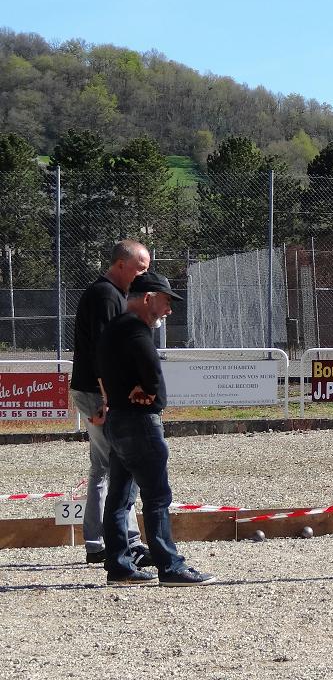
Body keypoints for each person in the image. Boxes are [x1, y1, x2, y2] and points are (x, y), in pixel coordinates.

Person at [97, 271, 215, 586]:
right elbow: (151, 370)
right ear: (148, 298)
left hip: (118, 419)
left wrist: (124, 392)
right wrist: (148, 388)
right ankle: (171, 567)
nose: (169, 310)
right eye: (165, 302)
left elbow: (103, 370)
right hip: (140, 423)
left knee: (119, 498)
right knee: (157, 496)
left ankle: (119, 566)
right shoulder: (137, 329)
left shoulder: (113, 328)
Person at [69, 239, 152, 567]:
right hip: (96, 392)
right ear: (121, 264)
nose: (144, 274)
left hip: (93, 390)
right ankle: (119, 541)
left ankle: (99, 541)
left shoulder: (109, 293)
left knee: (105, 466)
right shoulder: (105, 295)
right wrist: (107, 399)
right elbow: (104, 351)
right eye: (140, 268)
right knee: (117, 466)